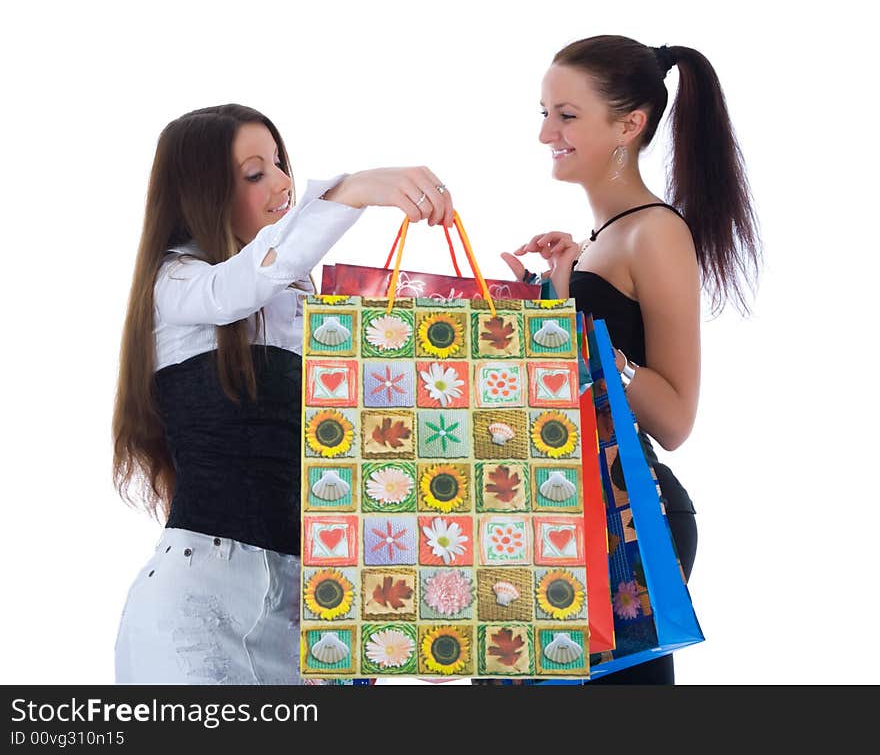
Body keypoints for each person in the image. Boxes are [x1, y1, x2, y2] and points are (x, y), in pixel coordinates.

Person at [112, 103, 453, 684]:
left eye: (279, 164)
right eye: (255, 173)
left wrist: (531, 305)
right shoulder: (178, 284)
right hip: (198, 616)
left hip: (314, 621)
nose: (283, 183)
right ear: (203, 194)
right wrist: (352, 190)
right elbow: (236, 287)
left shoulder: (304, 302)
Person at [501, 35, 761, 684]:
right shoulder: (596, 240)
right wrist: (549, 300)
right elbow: (571, 390)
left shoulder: (655, 232)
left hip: (626, 524)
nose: (546, 134)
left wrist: (593, 348)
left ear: (630, 124)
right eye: (543, 113)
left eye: (566, 115)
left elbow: (674, 417)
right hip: (571, 514)